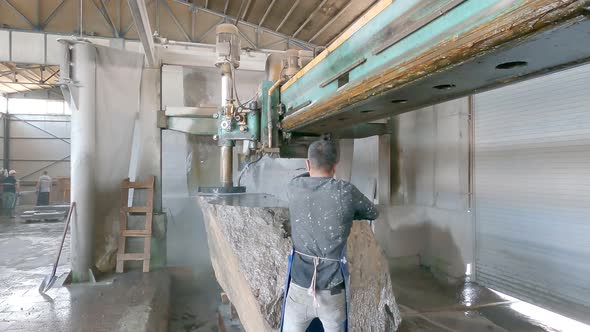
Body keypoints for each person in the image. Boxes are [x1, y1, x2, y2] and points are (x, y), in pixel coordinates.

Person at [281, 140, 379, 332]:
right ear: (335, 167)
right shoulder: (346, 192)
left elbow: (301, 179)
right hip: (332, 291)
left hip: (299, 288)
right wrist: (348, 213)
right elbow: (372, 212)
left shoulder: (294, 187)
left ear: (308, 164)